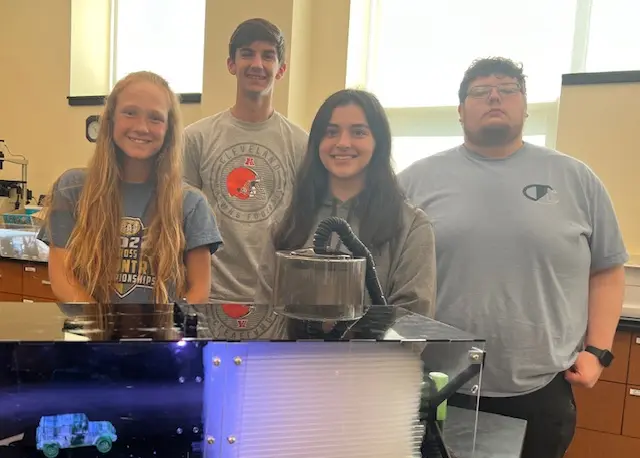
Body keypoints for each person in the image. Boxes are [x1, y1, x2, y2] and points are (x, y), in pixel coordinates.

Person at [398, 57, 627, 458]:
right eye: (480, 91)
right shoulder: (415, 180)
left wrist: (598, 350)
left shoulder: (575, 179)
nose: (495, 97)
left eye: (507, 88)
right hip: (439, 384)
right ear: (461, 110)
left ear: (525, 106)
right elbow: (383, 268)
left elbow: (607, 269)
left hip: (540, 385)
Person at [39, 71, 222, 304]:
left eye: (155, 118)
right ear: (111, 119)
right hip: (90, 336)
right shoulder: (72, 189)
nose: (142, 127)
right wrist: (104, 331)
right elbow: (64, 279)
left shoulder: (191, 204)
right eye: (130, 113)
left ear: (169, 129)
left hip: (161, 338)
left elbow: (199, 290)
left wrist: (163, 334)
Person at [254, 89, 437, 317]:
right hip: (293, 353)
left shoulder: (411, 226)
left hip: (379, 354)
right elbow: (264, 311)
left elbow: (413, 321)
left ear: (378, 142)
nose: (342, 143)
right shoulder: (287, 221)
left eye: (358, 132)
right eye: (331, 132)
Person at [183, 18, 308, 302]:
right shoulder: (196, 138)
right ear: (231, 64)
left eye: (268, 56)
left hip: (276, 303)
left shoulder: (302, 144)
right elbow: (180, 223)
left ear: (281, 69)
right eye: (247, 53)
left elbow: (305, 225)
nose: (257, 64)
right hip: (209, 300)